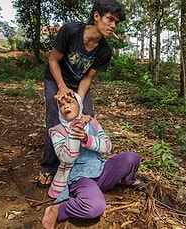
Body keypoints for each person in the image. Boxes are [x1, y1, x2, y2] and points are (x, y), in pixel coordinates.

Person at [38, 0, 126, 187]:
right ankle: (49, 168)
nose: (113, 26)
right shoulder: (71, 31)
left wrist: (78, 99)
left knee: (87, 118)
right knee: (55, 119)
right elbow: (53, 60)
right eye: (110, 19)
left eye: (116, 22)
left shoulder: (105, 51)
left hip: (78, 83)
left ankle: (82, 165)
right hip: (56, 78)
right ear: (96, 16)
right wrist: (62, 87)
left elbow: (87, 79)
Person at [41, 92, 143, 229]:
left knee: (132, 158)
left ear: (80, 104)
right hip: (80, 177)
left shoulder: (93, 123)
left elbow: (107, 146)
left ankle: (126, 180)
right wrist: (77, 128)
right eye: (61, 105)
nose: (65, 106)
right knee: (94, 207)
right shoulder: (57, 131)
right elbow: (66, 157)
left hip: (101, 170)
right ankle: (58, 209)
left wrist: (86, 139)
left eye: (70, 102)